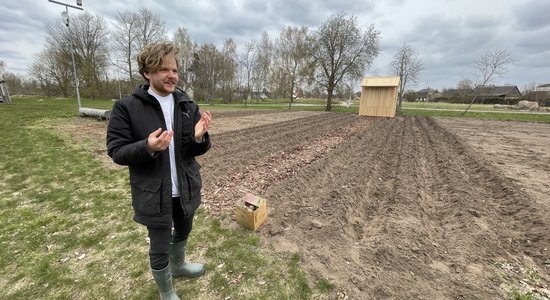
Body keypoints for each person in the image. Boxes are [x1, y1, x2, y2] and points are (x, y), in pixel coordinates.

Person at [106, 42, 212, 300]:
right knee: (159, 245)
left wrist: (199, 138)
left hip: (186, 187)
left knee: (184, 231)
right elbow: (116, 150)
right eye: (164, 69)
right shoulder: (127, 107)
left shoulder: (186, 104)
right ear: (147, 72)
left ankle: (178, 266)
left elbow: (193, 150)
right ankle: (166, 291)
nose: (172, 75)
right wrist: (147, 147)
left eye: (174, 69)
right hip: (154, 193)